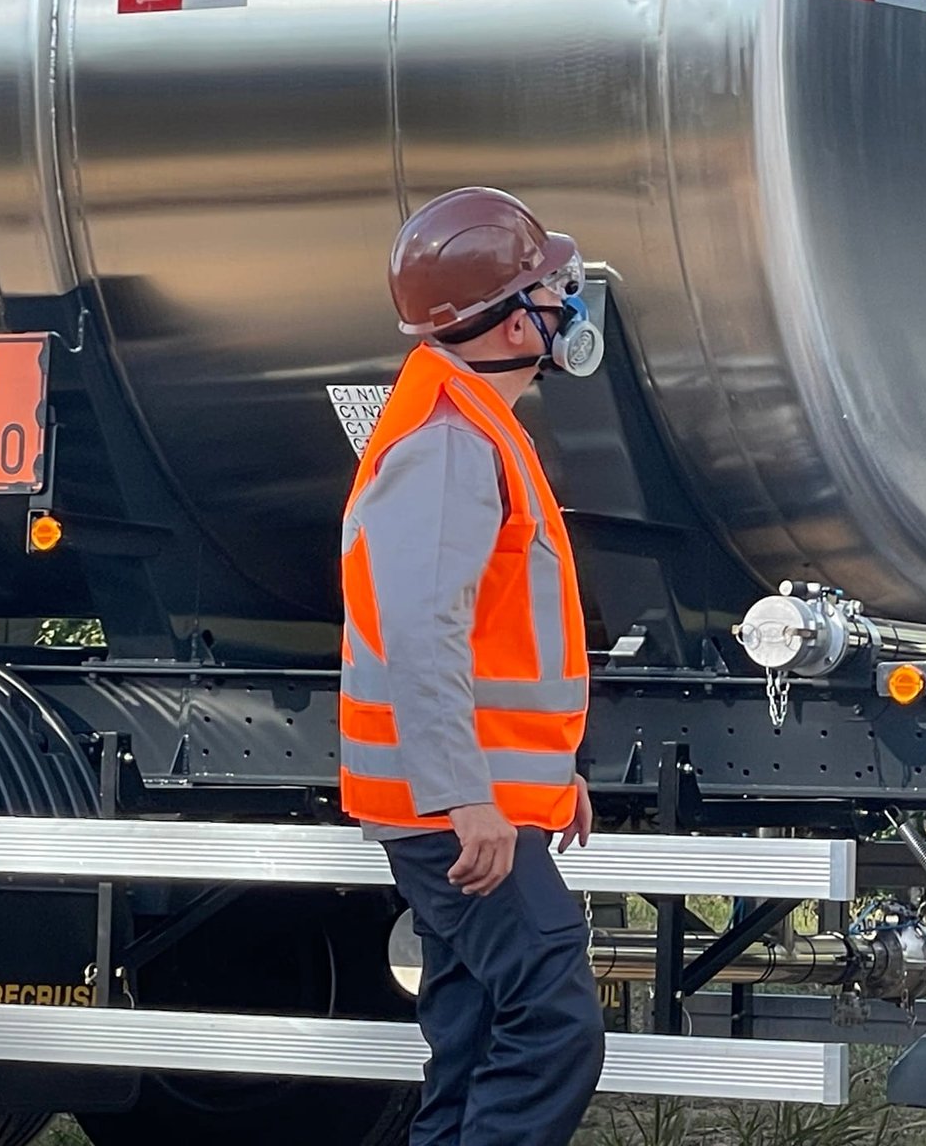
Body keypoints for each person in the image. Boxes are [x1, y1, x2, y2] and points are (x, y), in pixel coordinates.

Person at [338, 187, 608, 1145]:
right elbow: (420, 632)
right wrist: (468, 798)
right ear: (503, 319)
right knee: (554, 1024)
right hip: (448, 812)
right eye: (549, 289)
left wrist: (542, 777)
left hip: (461, 803)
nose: (566, 307)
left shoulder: (472, 427)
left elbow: (490, 640)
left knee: (474, 1031)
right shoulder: (453, 442)